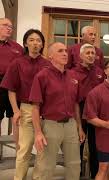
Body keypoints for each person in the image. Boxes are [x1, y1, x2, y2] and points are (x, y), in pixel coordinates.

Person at [29, 42, 85, 180]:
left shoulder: (73, 76)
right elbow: (35, 107)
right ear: (50, 56)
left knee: (74, 165)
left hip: (71, 125)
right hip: (50, 126)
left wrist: (79, 127)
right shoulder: (42, 76)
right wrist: (38, 133)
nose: (65, 53)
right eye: (60, 51)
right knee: (45, 166)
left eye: (66, 50)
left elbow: (76, 104)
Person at [0, 29, 50, 180]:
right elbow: (11, 89)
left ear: (42, 44)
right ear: (25, 43)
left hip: (45, 111)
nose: (35, 43)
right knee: (24, 149)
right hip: (26, 109)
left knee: (43, 151)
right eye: (32, 40)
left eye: (39, 40)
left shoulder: (48, 65)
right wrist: (16, 111)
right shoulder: (17, 63)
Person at [69, 43, 104, 178]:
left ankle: (95, 174)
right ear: (80, 56)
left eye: (92, 53)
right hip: (79, 110)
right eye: (87, 53)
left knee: (96, 145)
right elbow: (75, 101)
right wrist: (79, 126)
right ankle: (77, 174)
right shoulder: (72, 73)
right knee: (79, 143)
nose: (90, 55)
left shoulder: (100, 72)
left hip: (97, 111)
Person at [0, 18, 23, 136]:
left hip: (13, 87)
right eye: (5, 25)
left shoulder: (18, 48)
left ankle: (20, 153)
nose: (9, 28)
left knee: (16, 118)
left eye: (11, 26)